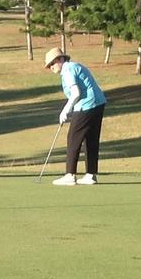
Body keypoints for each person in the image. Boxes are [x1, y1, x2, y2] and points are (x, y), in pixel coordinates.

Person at [44, 47, 106, 186]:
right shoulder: (73, 67)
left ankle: (70, 175)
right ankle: (91, 175)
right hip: (98, 103)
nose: (51, 67)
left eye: (52, 64)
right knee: (90, 139)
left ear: (61, 59)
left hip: (87, 105)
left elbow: (76, 93)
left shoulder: (68, 70)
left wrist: (65, 110)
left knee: (73, 137)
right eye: (49, 66)